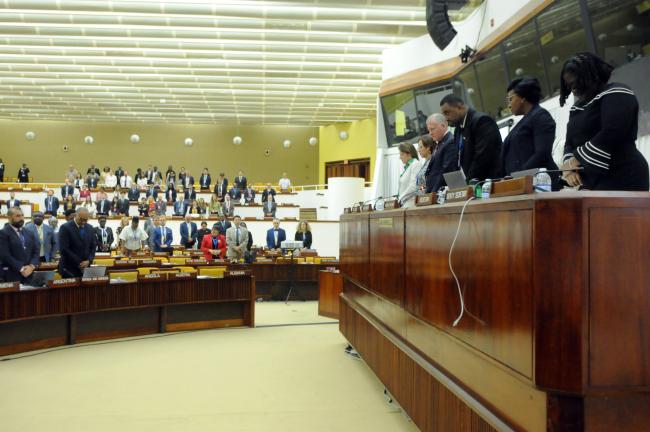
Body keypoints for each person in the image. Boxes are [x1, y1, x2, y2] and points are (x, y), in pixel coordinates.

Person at [560, 52, 649, 191]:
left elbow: (613, 132)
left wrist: (575, 160)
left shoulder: (617, 91)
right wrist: (570, 169)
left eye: (575, 82)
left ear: (590, 75)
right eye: (568, 85)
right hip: (592, 180)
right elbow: (569, 142)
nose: (572, 89)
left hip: (623, 174)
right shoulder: (576, 107)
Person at [502, 77, 560, 188]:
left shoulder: (541, 116)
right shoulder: (526, 119)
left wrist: (518, 175)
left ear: (523, 97)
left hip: (540, 184)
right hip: (523, 183)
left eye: (510, 99)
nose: (509, 105)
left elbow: (542, 153)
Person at [440, 94, 503, 182]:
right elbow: (458, 158)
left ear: (459, 107)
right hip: (472, 183)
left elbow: (482, 157)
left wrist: (468, 183)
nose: (446, 118)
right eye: (444, 114)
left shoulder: (482, 121)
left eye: (447, 113)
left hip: (489, 182)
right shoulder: (458, 129)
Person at [0, 207, 39, 283]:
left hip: (29, 274)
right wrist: (21, 268)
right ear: (9, 217)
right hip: (11, 275)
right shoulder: (3, 233)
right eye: (17, 216)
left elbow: (36, 252)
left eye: (22, 215)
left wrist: (31, 266)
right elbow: (5, 255)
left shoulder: (29, 233)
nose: (21, 218)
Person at [57, 207, 96, 278]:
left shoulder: (90, 228)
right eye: (81, 219)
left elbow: (93, 247)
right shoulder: (65, 227)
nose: (83, 222)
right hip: (69, 268)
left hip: (85, 267)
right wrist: (80, 262)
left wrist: (89, 260)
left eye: (86, 220)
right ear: (76, 215)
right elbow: (64, 249)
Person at [396, 142, 421, 208]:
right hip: (404, 203)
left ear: (409, 154)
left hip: (410, 204)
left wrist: (400, 199)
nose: (400, 157)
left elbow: (413, 187)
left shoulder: (416, 164)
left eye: (402, 154)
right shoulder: (408, 167)